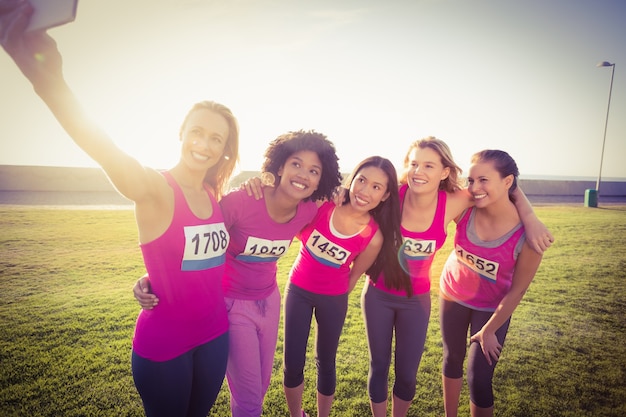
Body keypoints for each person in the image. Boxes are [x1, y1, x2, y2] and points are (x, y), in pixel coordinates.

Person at [0, 3, 239, 416]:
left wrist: (152, 275)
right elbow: (103, 149)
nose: (204, 143)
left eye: (216, 138)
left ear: (224, 149)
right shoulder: (152, 187)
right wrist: (47, 79)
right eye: (197, 132)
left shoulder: (216, 194)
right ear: (180, 133)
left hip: (216, 335)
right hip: (165, 344)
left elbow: (191, 260)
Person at [134, 130, 343, 417]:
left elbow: (348, 207)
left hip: (269, 301)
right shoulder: (241, 201)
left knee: (261, 386)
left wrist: (340, 191)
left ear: (321, 179)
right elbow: (194, 239)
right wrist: (150, 277)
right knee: (248, 398)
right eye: (296, 164)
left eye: (314, 170)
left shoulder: (308, 210)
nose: (303, 175)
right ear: (279, 166)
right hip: (231, 305)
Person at [361, 137, 554, 417]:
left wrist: (531, 218)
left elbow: (504, 189)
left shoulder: (470, 207)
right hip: (421, 294)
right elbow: (366, 192)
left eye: (429, 165)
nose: (475, 188)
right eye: (414, 163)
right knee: (420, 363)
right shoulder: (410, 196)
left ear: (444, 171)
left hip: (455, 305)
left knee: (459, 376)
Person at [283, 156, 408, 417]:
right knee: (292, 363)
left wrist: (333, 296)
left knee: (325, 363)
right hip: (298, 291)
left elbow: (354, 277)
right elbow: (294, 226)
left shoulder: (374, 236)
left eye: (376, 187)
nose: (365, 191)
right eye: (361, 180)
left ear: (385, 196)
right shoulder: (324, 205)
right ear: (352, 179)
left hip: (333, 299)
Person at [439, 149, 544, 417]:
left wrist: (489, 330)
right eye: (471, 180)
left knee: (479, 378)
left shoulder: (529, 237)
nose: (474, 188)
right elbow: (430, 191)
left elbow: (518, 290)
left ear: (507, 182)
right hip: (453, 294)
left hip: (493, 308)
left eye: (483, 180)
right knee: (452, 358)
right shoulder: (465, 208)